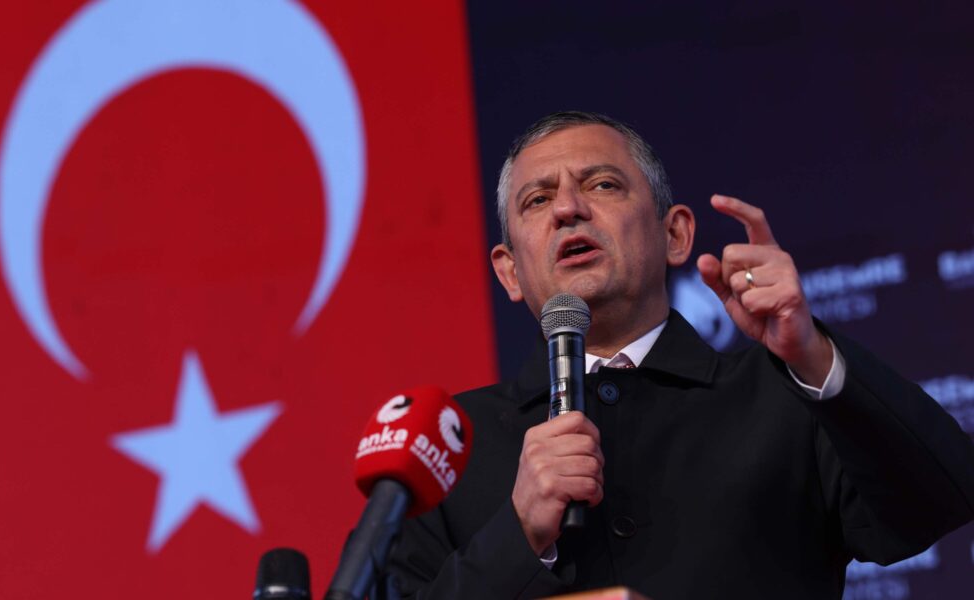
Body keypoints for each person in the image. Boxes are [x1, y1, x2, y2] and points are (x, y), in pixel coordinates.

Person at [387, 111, 974, 599]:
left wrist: (813, 355)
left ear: (676, 235)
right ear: (510, 272)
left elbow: (938, 500)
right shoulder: (449, 449)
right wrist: (516, 533)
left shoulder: (784, 394)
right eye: (538, 199)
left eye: (602, 185)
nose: (567, 208)